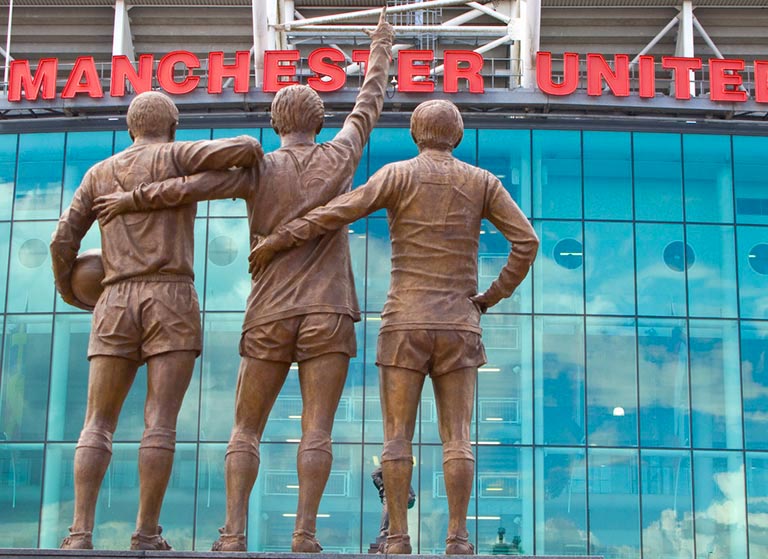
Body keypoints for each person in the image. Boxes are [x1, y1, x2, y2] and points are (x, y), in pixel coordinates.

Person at [92, 13, 394, 552]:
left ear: (276, 123)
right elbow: (368, 103)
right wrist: (381, 47)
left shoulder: (258, 170)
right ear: (319, 121)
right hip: (328, 309)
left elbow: (189, 187)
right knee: (317, 429)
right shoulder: (341, 154)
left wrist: (130, 198)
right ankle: (305, 535)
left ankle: (232, 534)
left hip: (268, 312)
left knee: (246, 427)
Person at [246, 99, 539, 554]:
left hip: (404, 321)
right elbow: (527, 242)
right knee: (458, 437)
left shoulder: (397, 175)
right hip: (459, 322)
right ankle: (458, 538)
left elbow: (338, 211)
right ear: (458, 136)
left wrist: (281, 238)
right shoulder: (482, 182)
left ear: (415, 136)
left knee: (397, 437)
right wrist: (491, 295)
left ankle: (399, 538)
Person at [50, 90, 263, 550]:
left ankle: (79, 532)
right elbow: (248, 148)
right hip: (170, 295)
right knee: (160, 422)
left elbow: (61, 240)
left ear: (131, 128)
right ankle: (146, 532)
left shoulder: (98, 173)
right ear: (172, 126)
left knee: (96, 422)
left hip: (114, 298)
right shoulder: (176, 154)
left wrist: (72, 292)